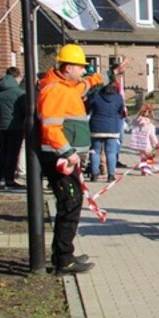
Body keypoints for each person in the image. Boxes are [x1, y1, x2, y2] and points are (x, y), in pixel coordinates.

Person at [38, 43, 126, 275]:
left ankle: (64, 254)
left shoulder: (68, 87)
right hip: (60, 160)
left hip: (67, 159)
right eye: (80, 67)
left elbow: (89, 83)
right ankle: (63, 260)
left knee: (72, 204)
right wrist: (68, 153)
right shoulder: (55, 91)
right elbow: (50, 128)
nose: (84, 71)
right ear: (68, 68)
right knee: (70, 204)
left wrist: (111, 74)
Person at [0, 67, 25, 190]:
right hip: (16, 126)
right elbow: (24, 111)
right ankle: (9, 180)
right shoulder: (19, 93)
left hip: (2, 126)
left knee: (2, 152)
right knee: (13, 153)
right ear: (17, 77)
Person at [85, 83, 126, 183]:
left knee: (95, 151)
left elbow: (87, 106)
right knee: (111, 152)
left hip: (96, 127)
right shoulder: (118, 98)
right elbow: (121, 111)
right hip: (112, 128)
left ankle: (94, 174)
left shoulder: (95, 95)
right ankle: (111, 175)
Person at [128, 104, 159, 169]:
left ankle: (143, 169)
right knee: (150, 157)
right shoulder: (150, 125)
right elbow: (152, 136)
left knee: (143, 157)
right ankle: (147, 169)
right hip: (146, 145)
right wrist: (156, 144)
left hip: (139, 144)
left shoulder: (137, 122)